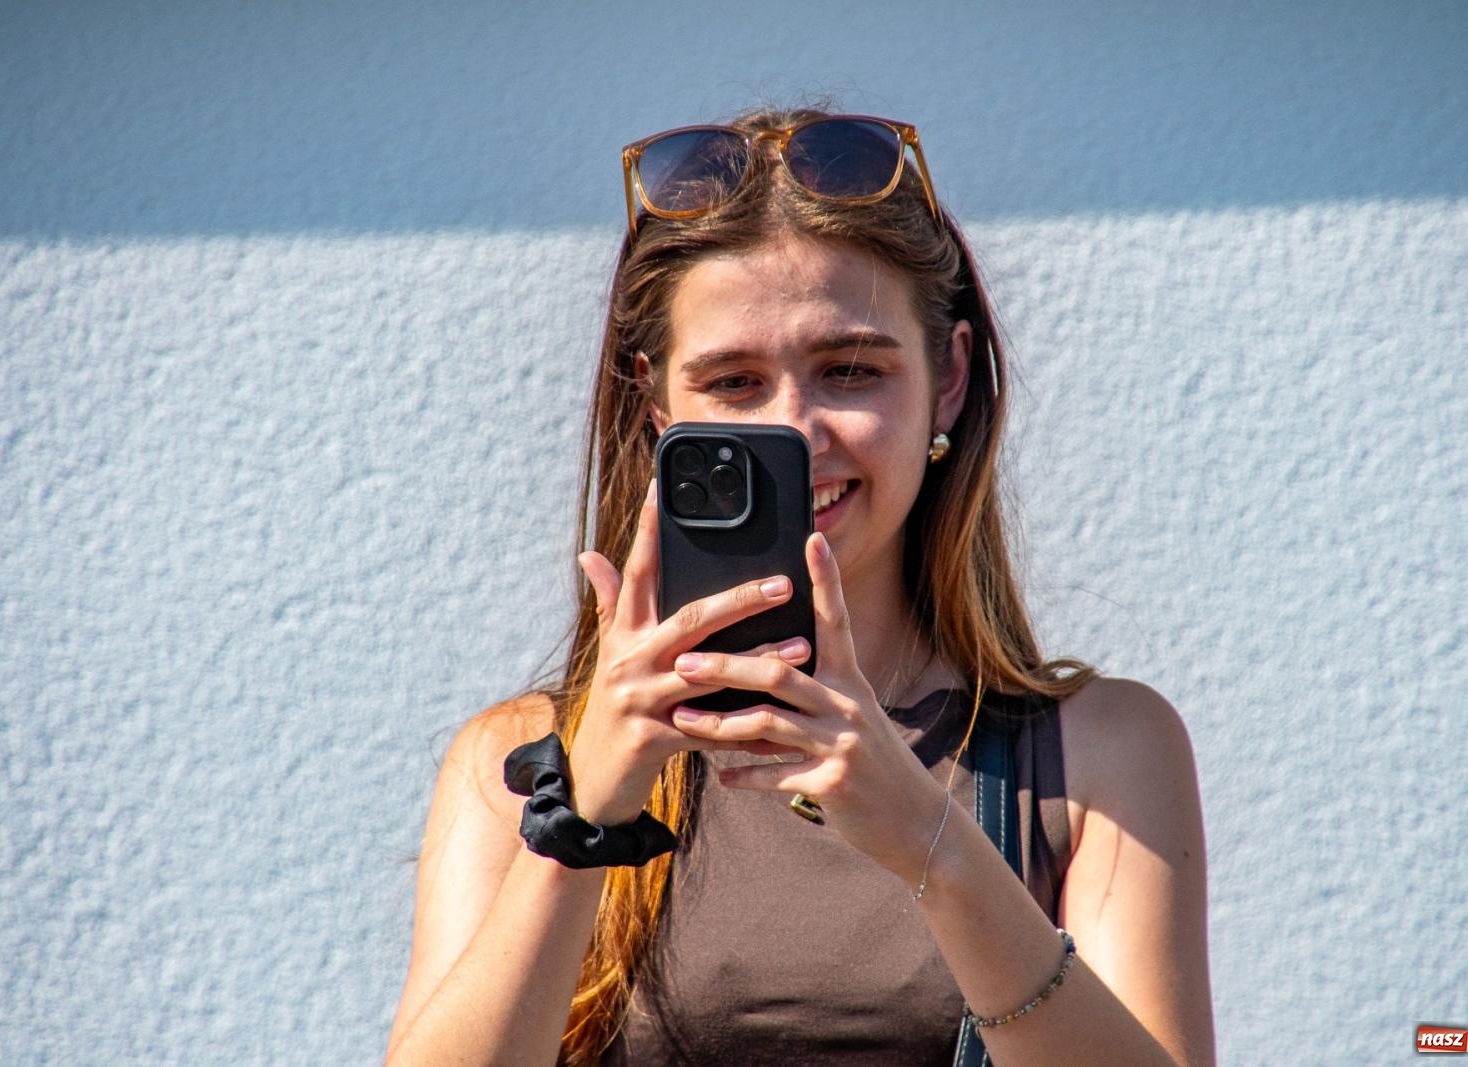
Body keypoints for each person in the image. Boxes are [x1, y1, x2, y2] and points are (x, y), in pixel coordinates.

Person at [384, 107, 1214, 1066]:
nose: (797, 430)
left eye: (850, 370)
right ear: (656, 403)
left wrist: (931, 840)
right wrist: (578, 823)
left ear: (948, 378)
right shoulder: (518, 765)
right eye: (734, 382)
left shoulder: (1099, 752)